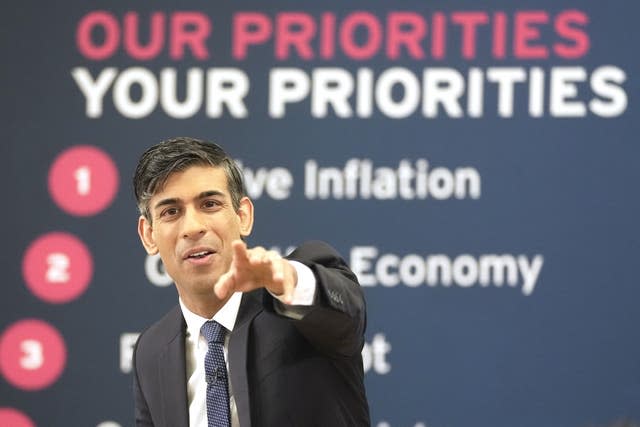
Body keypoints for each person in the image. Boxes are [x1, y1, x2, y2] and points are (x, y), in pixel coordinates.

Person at [131, 137, 370, 427]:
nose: (193, 227)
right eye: (171, 211)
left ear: (243, 216)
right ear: (148, 235)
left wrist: (288, 281)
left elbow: (348, 316)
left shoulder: (294, 301)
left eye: (209, 204)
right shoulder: (151, 351)